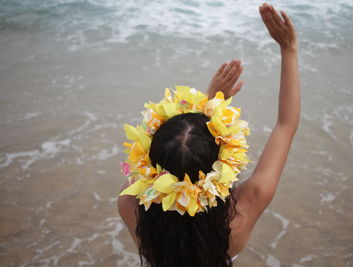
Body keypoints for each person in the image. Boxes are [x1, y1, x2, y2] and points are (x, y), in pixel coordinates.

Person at [118, 2, 300, 267]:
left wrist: (207, 103)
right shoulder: (240, 217)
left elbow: (148, 175)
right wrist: (289, 49)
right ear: (223, 163)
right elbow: (286, 124)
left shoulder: (130, 205)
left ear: (151, 165)